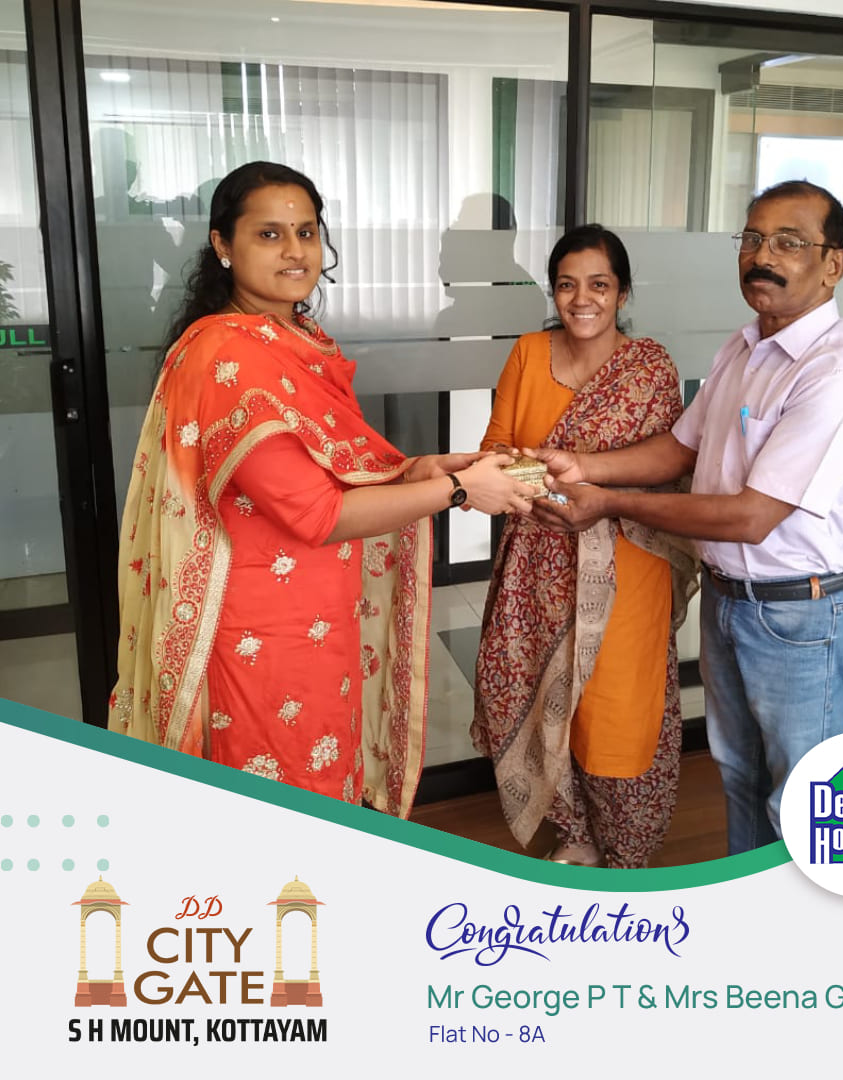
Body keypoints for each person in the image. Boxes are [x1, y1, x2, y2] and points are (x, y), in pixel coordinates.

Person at [107, 161, 533, 816]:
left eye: (306, 232)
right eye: (269, 234)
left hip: (318, 615)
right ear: (223, 245)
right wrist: (456, 491)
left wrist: (427, 469)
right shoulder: (228, 355)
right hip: (261, 636)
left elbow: (333, 467)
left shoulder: (295, 338)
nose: (295, 251)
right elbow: (316, 512)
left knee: (324, 775)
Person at [532, 181, 843, 855]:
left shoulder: (837, 375)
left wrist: (606, 501)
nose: (763, 256)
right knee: (741, 777)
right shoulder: (745, 347)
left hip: (802, 615)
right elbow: (679, 448)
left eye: (789, 242)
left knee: (804, 802)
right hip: (730, 602)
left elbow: (753, 517)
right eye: (753, 238)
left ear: (833, 264)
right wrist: (582, 466)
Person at [471, 224, 697, 869]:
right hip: (536, 554)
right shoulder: (527, 352)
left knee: (614, 702)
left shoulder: (648, 366)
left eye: (599, 284)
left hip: (625, 560)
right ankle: (574, 829)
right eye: (567, 285)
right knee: (533, 689)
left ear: (622, 293)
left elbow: (668, 463)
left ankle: (627, 847)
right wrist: (537, 483)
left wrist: (581, 476)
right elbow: (496, 447)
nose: (582, 299)